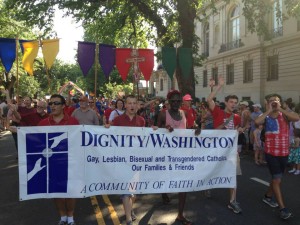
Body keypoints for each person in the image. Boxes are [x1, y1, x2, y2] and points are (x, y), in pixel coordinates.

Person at [255, 93, 299, 220]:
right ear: (267, 103)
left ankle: (267, 197)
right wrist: (268, 110)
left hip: (284, 153)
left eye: (277, 100)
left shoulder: (284, 114)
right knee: (277, 179)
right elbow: (257, 121)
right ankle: (283, 209)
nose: (274, 102)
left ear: (280, 102)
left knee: (276, 179)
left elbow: (296, 118)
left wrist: (280, 109)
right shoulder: (265, 116)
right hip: (271, 153)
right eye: (272, 101)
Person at [38, 94, 79, 225]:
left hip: (70, 162)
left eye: (56, 103)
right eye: (50, 104)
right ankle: (63, 217)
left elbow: (81, 139)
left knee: (70, 191)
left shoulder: (73, 122)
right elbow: (33, 138)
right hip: (51, 163)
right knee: (56, 192)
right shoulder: (43, 123)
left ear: (63, 106)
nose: (52, 106)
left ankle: (71, 217)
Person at [105, 95, 145, 225]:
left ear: (137, 105)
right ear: (125, 105)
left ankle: (130, 209)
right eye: (130, 103)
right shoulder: (117, 120)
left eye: (135, 103)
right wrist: (106, 129)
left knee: (134, 191)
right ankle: (128, 219)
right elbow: (110, 134)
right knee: (126, 191)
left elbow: (146, 137)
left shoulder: (142, 120)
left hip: (137, 159)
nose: (132, 105)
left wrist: (154, 130)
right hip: (122, 160)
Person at [206, 76, 243, 214]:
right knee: (213, 171)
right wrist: (219, 86)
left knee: (232, 175)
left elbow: (235, 132)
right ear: (226, 102)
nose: (233, 104)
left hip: (231, 152)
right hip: (217, 150)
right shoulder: (218, 112)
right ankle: (207, 184)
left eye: (235, 102)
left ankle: (232, 201)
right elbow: (209, 100)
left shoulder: (237, 117)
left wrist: (239, 130)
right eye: (231, 102)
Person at [157, 90, 192, 225]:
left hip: (181, 155)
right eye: (173, 101)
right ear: (169, 102)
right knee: (166, 178)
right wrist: (164, 129)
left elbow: (187, 130)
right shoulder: (162, 114)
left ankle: (180, 215)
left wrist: (196, 129)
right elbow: (153, 131)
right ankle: (164, 192)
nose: (176, 103)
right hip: (165, 154)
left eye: (178, 101)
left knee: (182, 184)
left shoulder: (185, 113)